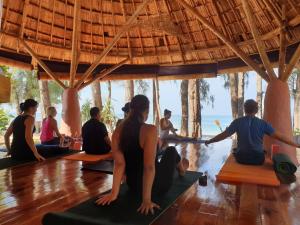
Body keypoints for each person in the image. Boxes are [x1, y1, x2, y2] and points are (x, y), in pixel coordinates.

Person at [96, 95, 189, 215]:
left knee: (163, 157)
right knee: (171, 151)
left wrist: (114, 194)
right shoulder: (150, 130)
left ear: (131, 109)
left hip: (133, 185)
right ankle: (182, 170)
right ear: (147, 111)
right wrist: (146, 200)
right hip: (157, 186)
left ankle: (181, 167)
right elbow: (148, 167)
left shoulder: (117, 131)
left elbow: (119, 164)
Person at [205, 99, 300, 165]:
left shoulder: (237, 122)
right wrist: (296, 144)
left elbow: (223, 135)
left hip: (241, 159)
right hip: (258, 160)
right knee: (262, 151)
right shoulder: (263, 124)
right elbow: (280, 137)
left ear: (245, 109)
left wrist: (209, 141)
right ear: (256, 110)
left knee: (236, 149)